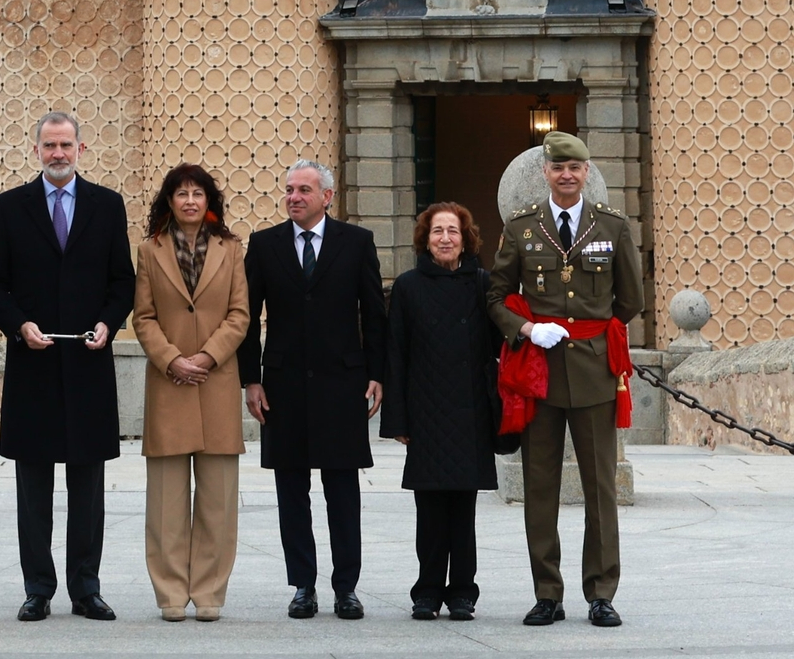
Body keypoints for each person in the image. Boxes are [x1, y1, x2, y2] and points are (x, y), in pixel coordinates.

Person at [0, 111, 135, 623]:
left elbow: (122, 281)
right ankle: (38, 588)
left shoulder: (107, 206)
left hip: (88, 366)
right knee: (34, 488)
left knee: (88, 487)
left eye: (66, 145)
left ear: (81, 150)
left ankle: (86, 588)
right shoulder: (10, 206)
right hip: (34, 365)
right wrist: (19, 325)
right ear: (38, 150)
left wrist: (110, 323)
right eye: (50, 146)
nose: (58, 153)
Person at [487, 131, 643, 628]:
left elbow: (630, 299)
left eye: (575, 168)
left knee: (600, 487)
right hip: (541, 373)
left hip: (595, 371)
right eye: (559, 168)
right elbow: (496, 297)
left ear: (586, 171)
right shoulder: (522, 227)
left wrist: (589, 331)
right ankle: (547, 592)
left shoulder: (612, 227)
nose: (567, 175)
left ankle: (601, 593)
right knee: (540, 486)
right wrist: (529, 328)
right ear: (547, 173)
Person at [237, 158, 386, 621]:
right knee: (291, 491)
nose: (294, 197)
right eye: (288, 190)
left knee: (342, 491)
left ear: (327, 196)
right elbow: (246, 318)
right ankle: (303, 584)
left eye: (304, 190)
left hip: (343, 384)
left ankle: (346, 588)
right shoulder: (264, 245)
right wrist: (251, 378)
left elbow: (374, 315)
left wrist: (378, 374)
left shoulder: (356, 243)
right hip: (281, 385)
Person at [130, 163, 250, 622]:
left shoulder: (231, 250)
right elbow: (143, 317)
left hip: (214, 381)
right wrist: (172, 359)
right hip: (169, 384)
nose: (190, 201)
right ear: (169, 201)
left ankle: (210, 593)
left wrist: (206, 357)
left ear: (209, 201)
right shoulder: (149, 250)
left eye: (197, 193)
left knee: (218, 500)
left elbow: (240, 314)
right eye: (181, 193)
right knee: (166, 501)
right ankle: (170, 595)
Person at [380, 202, 502, 622]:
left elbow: (498, 346)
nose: (446, 238)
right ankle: (427, 592)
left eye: (453, 231)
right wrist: (397, 419)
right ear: (425, 239)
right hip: (426, 412)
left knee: (463, 513)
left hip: (470, 412)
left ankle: (463, 593)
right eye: (437, 232)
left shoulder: (482, 284)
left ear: (465, 239)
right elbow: (395, 354)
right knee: (430, 512)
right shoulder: (410, 286)